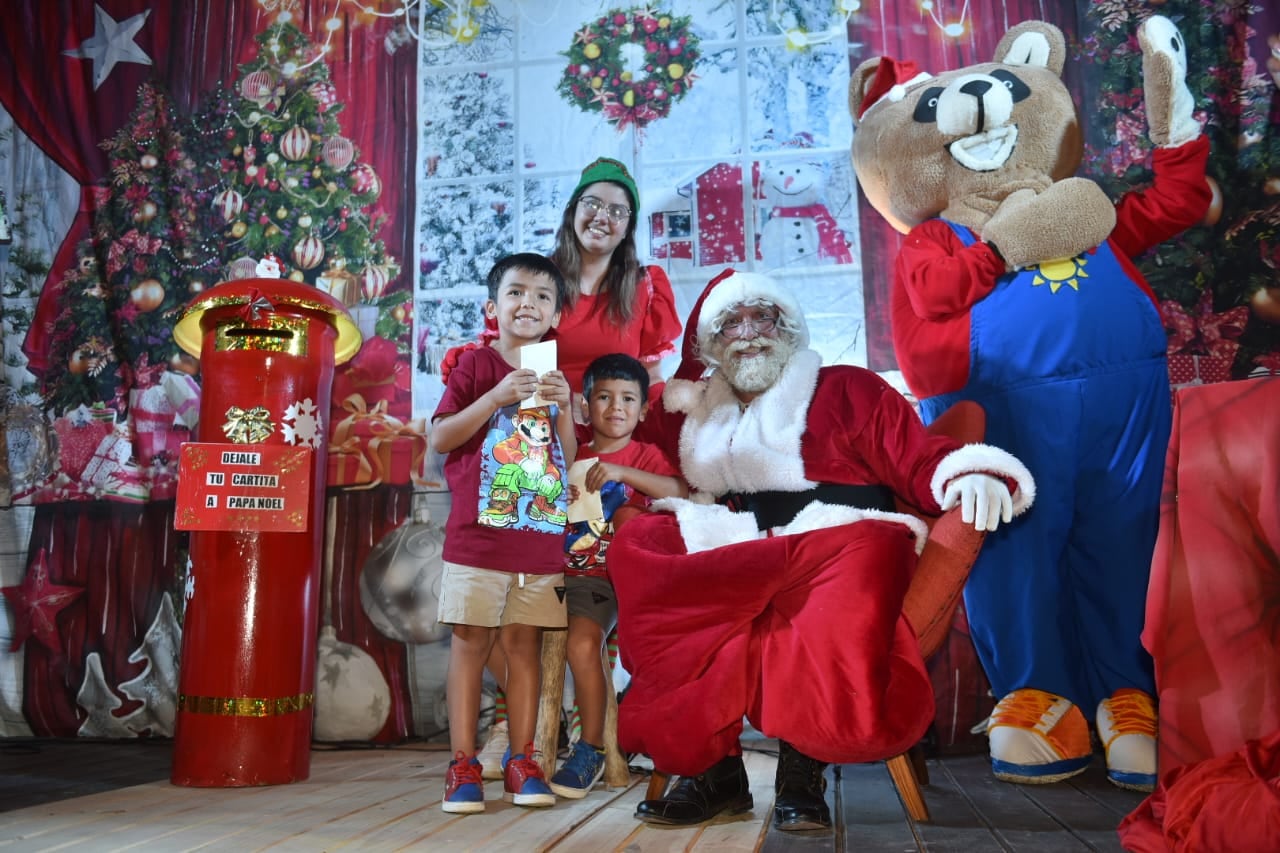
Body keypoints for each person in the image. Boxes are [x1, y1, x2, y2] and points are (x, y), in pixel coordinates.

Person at [605, 270, 1038, 831]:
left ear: (787, 327)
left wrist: (971, 472)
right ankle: (716, 773)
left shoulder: (849, 388)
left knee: (864, 549)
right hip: (739, 545)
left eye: (761, 316)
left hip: (837, 539)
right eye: (730, 323)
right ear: (711, 344)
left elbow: (917, 456)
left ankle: (801, 771)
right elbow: (616, 425)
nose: (747, 333)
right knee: (642, 541)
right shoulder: (695, 412)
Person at [460, 156, 682, 778]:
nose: (603, 216)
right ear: (574, 209)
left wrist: (646, 459)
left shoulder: (644, 286)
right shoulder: (542, 280)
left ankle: (609, 729)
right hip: (541, 442)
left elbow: (654, 379)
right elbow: (504, 354)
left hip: (612, 445)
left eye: (618, 208)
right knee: (515, 595)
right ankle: (527, 724)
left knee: (597, 592)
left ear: (630, 223)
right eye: (594, 203)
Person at [430, 252, 576, 814]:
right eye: (516, 293)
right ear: (494, 307)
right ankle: (463, 764)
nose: (528, 304)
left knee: (525, 649)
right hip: (478, 537)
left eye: (542, 296)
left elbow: (568, 458)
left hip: (537, 541)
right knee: (470, 643)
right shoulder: (474, 366)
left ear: (555, 313)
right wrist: (495, 397)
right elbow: (441, 439)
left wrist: (564, 409)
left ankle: (523, 759)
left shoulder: (556, 375)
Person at [548, 353, 688, 799]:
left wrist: (625, 473)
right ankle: (522, 741)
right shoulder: (573, 452)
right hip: (555, 573)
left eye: (628, 398)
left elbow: (681, 491)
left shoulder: (645, 455)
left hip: (604, 580)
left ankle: (589, 747)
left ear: (644, 409)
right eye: (604, 397)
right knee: (499, 630)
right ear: (586, 406)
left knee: (582, 642)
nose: (616, 407)